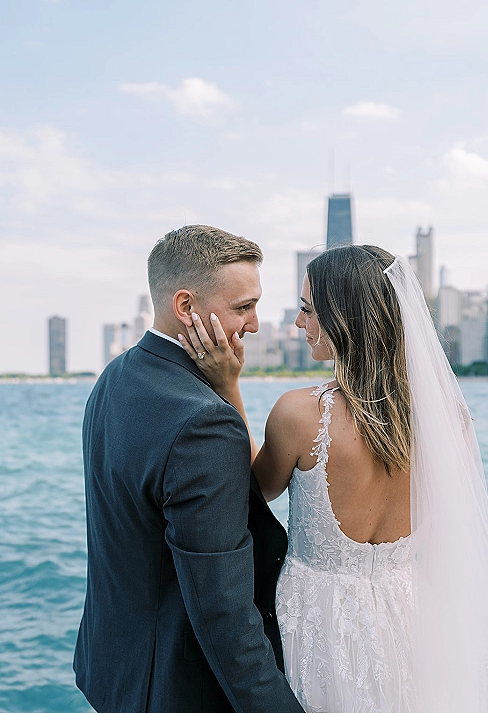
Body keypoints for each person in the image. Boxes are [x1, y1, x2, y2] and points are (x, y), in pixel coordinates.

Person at [181, 244, 488, 713]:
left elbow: (254, 492)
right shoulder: (450, 422)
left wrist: (228, 388)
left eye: (307, 310)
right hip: (412, 616)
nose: (298, 323)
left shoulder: (300, 414)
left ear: (342, 317)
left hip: (318, 619)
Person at [74, 225, 304, 713]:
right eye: (243, 307)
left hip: (112, 672)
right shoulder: (206, 424)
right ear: (185, 307)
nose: (257, 324)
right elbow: (224, 611)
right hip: (178, 691)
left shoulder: (116, 375)